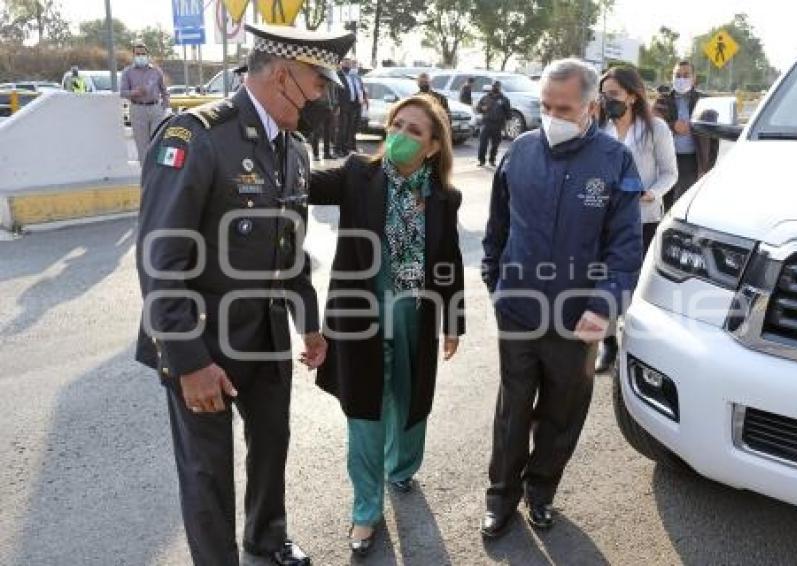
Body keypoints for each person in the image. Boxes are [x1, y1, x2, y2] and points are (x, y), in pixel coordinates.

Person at [135, 23, 355, 566]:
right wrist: (189, 362)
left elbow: (291, 250)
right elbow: (160, 262)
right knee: (208, 469)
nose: (325, 96)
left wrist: (307, 323)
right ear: (283, 76)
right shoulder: (198, 135)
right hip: (201, 341)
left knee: (272, 444)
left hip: (264, 336)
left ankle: (266, 537)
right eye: (318, 83)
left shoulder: (294, 150)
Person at [480, 59, 643, 538]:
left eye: (563, 107)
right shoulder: (521, 151)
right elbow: (497, 227)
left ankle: (541, 492)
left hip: (579, 319)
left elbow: (625, 246)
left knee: (562, 411)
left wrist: (604, 305)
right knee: (512, 410)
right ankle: (501, 498)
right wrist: (496, 281)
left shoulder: (615, 162)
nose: (551, 115)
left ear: (591, 107)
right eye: (545, 105)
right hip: (519, 312)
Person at [309, 95, 465, 556]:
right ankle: (365, 511)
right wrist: (291, 133)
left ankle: (402, 468)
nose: (400, 135)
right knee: (365, 413)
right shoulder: (358, 174)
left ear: (434, 147)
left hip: (415, 316)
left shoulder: (444, 197)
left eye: (415, 130)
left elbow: (450, 262)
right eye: (397, 124)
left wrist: (453, 320)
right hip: (361, 318)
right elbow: (306, 183)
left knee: (410, 401)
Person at [594, 66, 678, 373]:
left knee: (634, 284)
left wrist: (652, 194)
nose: (607, 100)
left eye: (614, 94)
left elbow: (670, 173)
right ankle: (608, 344)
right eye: (603, 95)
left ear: (631, 96)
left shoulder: (655, 128)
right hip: (601, 218)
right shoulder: (597, 128)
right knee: (601, 280)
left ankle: (634, 344)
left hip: (643, 219)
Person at [652, 61, 719, 210]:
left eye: (686, 75)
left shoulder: (705, 101)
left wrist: (707, 168)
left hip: (692, 161)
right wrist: (673, 126)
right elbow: (652, 126)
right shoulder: (662, 100)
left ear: (694, 78)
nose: (681, 79)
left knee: (685, 203)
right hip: (667, 159)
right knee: (664, 201)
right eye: (678, 75)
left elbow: (714, 137)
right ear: (672, 77)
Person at [120, 41, 170, 165]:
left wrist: (164, 106)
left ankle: (159, 171)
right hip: (138, 109)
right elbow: (122, 92)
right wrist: (135, 92)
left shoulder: (156, 71)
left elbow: (164, 90)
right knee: (142, 144)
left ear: (148, 55)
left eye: (143, 54)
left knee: (158, 140)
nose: (140, 56)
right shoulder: (128, 72)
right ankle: (145, 172)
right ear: (134, 55)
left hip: (155, 108)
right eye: (138, 54)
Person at [336, 58, 368, 156]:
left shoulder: (353, 77)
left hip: (354, 105)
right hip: (343, 105)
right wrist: (337, 105)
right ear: (342, 64)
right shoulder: (339, 76)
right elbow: (337, 91)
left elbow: (358, 89)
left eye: (349, 64)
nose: (349, 66)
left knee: (350, 128)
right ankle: (338, 149)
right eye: (347, 63)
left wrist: (363, 99)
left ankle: (346, 148)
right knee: (342, 128)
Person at [476, 81, 511, 167]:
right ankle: (481, 160)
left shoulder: (504, 99)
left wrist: (506, 123)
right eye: (494, 86)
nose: (495, 87)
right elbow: (478, 108)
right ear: (492, 86)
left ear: (500, 87)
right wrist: (482, 108)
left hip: (498, 125)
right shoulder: (485, 97)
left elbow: (508, 113)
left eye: (497, 86)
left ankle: (492, 160)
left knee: (495, 144)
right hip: (486, 123)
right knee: (483, 143)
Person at [307, 81, 337, 160]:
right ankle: (315, 154)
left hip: (330, 108)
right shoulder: (317, 79)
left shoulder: (331, 81)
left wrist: (334, 105)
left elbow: (333, 94)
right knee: (317, 131)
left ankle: (327, 153)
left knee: (328, 132)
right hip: (319, 108)